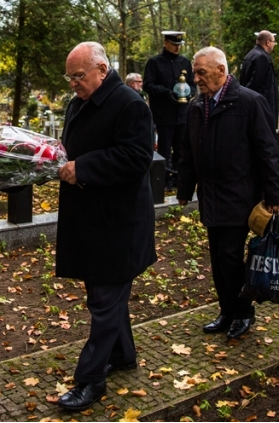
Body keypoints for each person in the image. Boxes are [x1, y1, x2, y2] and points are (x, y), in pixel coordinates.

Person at [56, 42, 157, 411]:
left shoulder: (129, 104)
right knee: (105, 294)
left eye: (78, 76)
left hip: (119, 224)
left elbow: (136, 157)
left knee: (104, 300)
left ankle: (91, 380)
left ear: (101, 68)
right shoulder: (80, 101)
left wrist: (83, 167)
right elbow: (77, 143)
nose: (73, 84)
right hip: (91, 220)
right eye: (70, 78)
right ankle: (124, 355)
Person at [176, 47, 279, 339]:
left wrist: (275, 195)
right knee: (218, 258)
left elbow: (267, 152)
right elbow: (188, 152)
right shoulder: (198, 106)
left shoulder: (250, 102)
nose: (195, 78)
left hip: (240, 196)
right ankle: (227, 310)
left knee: (230, 257)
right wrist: (185, 189)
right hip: (210, 197)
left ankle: (243, 312)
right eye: (195, 72)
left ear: (221, 71)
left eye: (201, 72)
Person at [143, 31, 194, 185]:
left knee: (181, 150)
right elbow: (148, 85)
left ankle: (180, 180)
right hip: (164, 114)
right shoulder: (155, 62)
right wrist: (167, 93)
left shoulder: (185, 63)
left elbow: (192, 83)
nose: (177, 48)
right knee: (164, 149)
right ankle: (162, 181)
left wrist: (189, 92)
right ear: (165, 43)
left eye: (179, 45)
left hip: (182, 114)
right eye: (173, 45)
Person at [240, 30, 279, 130]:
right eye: (273, 42)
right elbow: (255, 83)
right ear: (268, 42)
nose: (274, 45)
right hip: (262, 107)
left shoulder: (250, 55)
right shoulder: (262, 57)